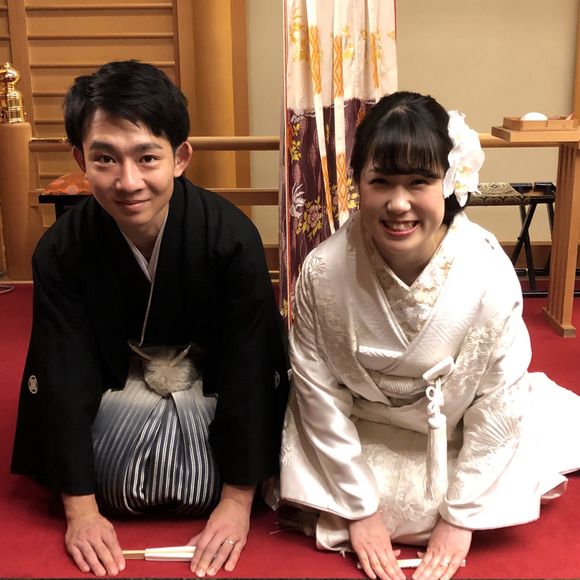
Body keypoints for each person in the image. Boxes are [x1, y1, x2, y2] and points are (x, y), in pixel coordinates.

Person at [279, 91, 580, 580]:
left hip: (454, 432)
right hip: (360, 428)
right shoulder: (323, 271)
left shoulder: (486, 273)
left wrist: (462, 517)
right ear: (357, 183)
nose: (398, 204)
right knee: (346, 498)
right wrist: (360, 509)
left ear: (450, 181)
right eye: (381, 181)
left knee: (467, 486)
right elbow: (318, 392)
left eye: (419, 182)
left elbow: (495, 399)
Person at [11, 60, 289, 578]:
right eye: (105, 159)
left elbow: (250, 367)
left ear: (180, 157)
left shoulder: (230, 238)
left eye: (147, 157)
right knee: (108, 482)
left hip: (208, 387)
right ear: (80, 159)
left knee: (209, 474)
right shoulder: (61, 249)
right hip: (115, 383)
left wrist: (236, 502)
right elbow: (64, 369)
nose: (128, 181)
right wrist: (81, 510)